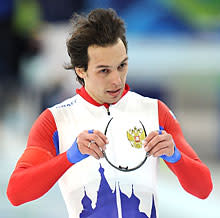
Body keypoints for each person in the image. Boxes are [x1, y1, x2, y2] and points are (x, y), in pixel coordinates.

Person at [7, 8, 213, 218]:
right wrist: (69, 157)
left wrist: (175, 156)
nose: (116, 80)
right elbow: (16, 193)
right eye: (104, 70)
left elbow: (204, 189)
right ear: (81, 70)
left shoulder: (155, 111)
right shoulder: (54, 121)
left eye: (121, 66)